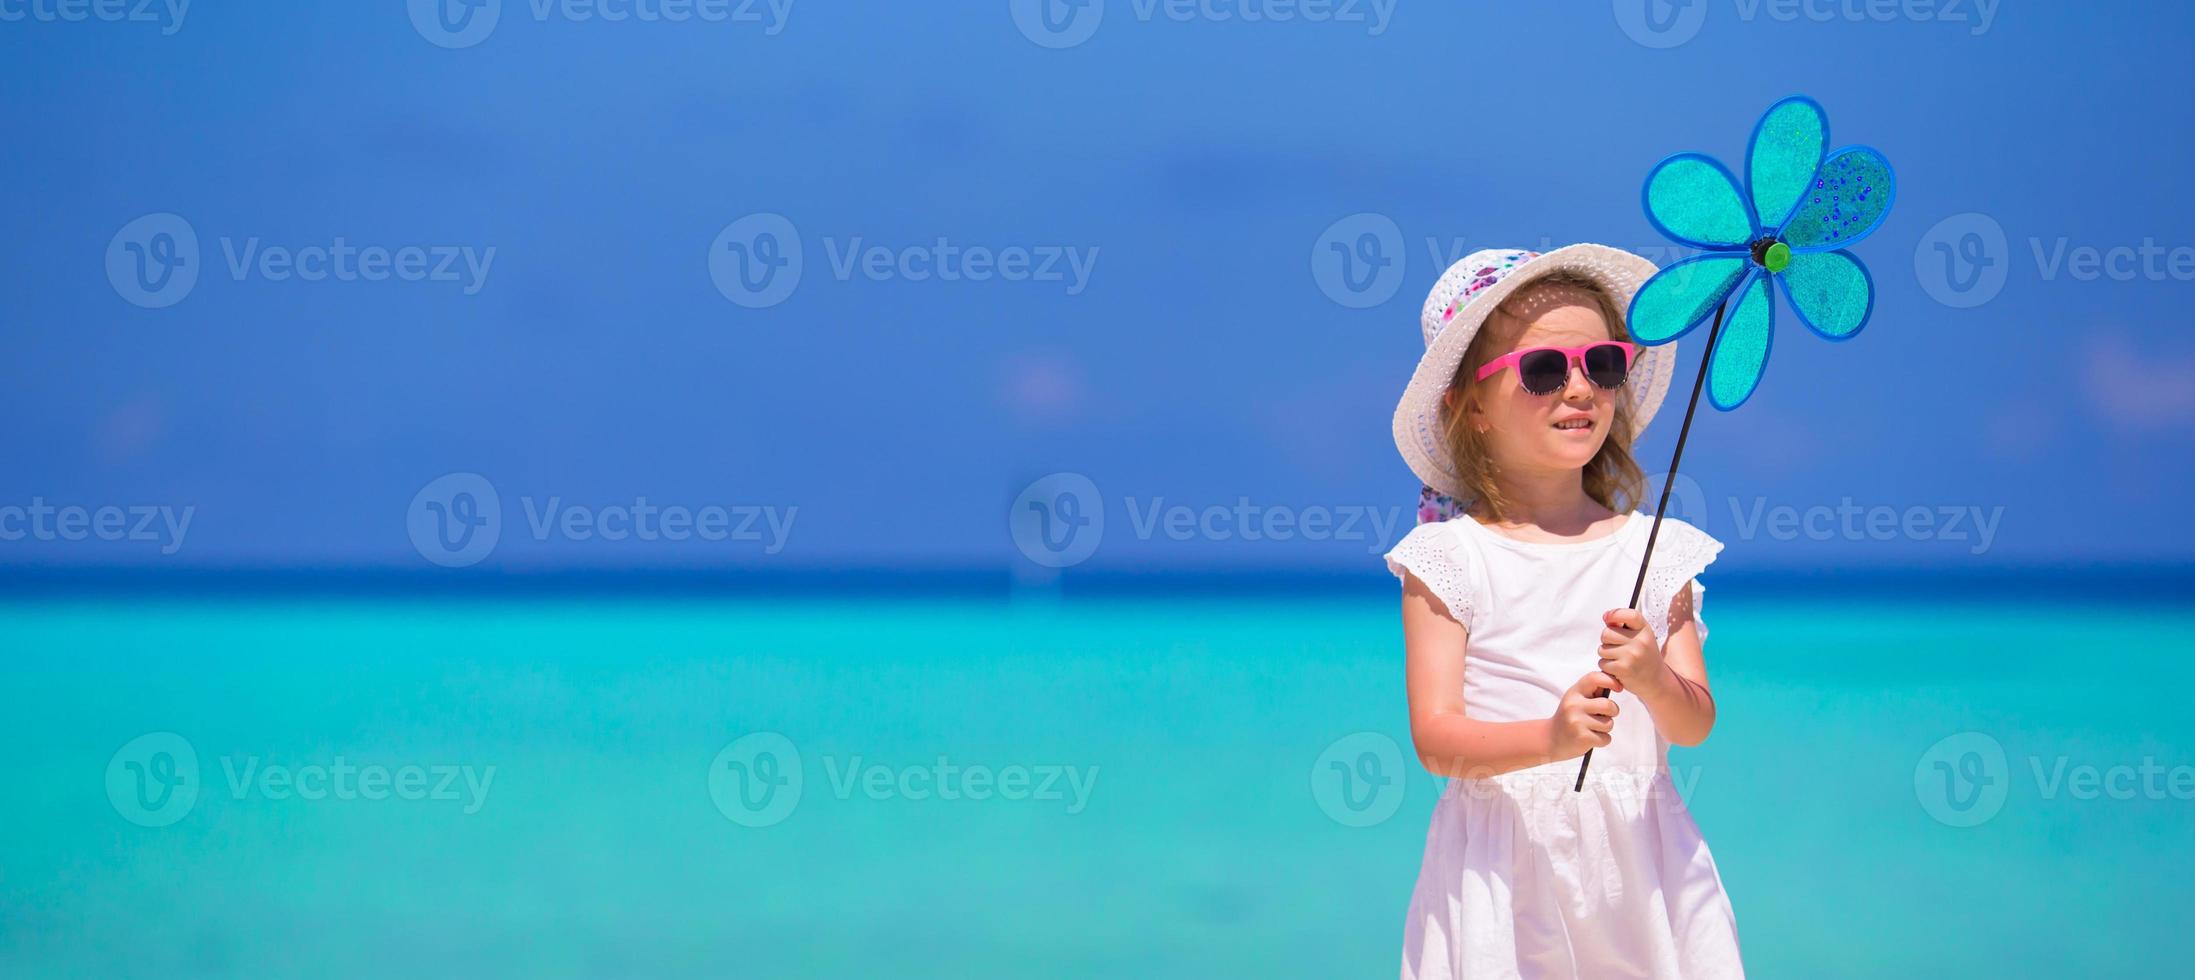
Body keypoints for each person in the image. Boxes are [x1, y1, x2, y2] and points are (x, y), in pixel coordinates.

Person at [1384, 246, 1744, 978]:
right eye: (1544, 370)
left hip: (1643, 866)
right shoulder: (1447, 560)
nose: (1578, 388)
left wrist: (1651, 678)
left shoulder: (1657, 551)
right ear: (1469, 407)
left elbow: (1694, 724)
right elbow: (1435, 741)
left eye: (1602, 364)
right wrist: (1549, 737)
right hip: (1504, 866)